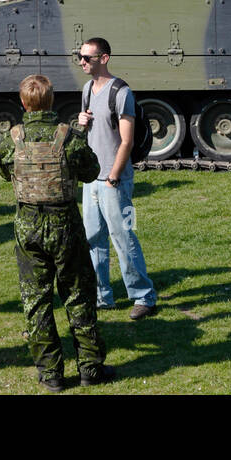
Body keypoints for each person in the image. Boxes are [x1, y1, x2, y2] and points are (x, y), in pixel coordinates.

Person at [0, 74, 113, 391]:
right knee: (78, 295)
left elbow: (4, 172)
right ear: (52, 100)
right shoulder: (68, 137)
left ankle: (51, 374)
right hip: (65, 224)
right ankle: (90, 367)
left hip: (29, 226)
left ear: (23, 103)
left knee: (37, 301)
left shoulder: (12, 139)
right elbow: (92, 171)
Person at [78, 38, 157, 320]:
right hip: (92, 180)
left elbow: (127, 140)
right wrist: (82, 123)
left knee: (122, 236)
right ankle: (102, 297)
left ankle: (143, 297)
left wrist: (113, 177)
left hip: (114, 180)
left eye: (87, 57)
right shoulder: (87, 89)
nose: (82, 61)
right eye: (80, 56)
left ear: (105, 58)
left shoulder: (121, 92)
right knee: (92, 239)